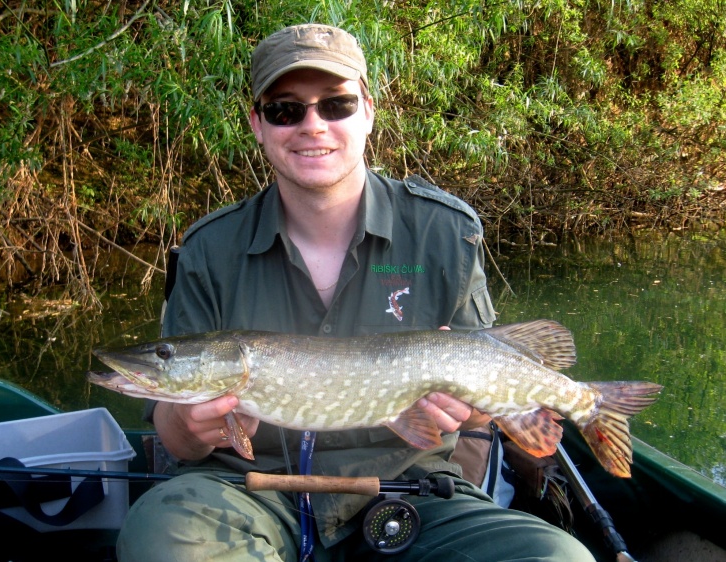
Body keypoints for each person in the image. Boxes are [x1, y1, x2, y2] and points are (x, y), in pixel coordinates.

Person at [116, 23, 594, 562]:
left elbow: (482, 420)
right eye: (285, 110)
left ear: (367, 109)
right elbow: (175, 440)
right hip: (244, 492)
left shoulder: (443, 230)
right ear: (258, 123)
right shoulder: (211, 248)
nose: (312, 126)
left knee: (558, 558)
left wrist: (467, 410)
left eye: (335, 105)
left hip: (413, 491)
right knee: (163, 537)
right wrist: (190, 424)